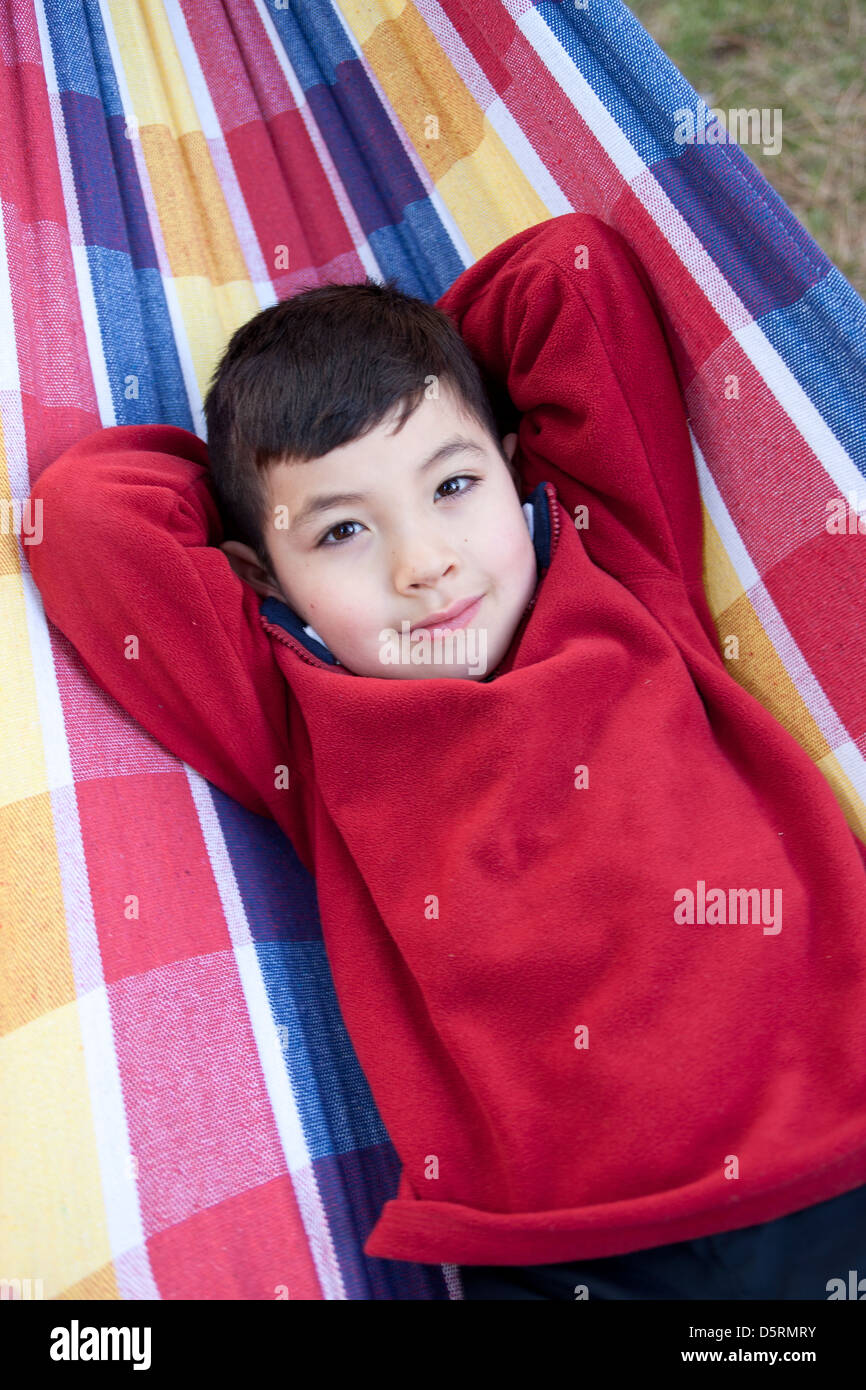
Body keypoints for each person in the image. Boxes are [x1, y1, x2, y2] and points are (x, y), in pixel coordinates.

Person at [27, 213, 866, 1300]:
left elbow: (566, 272)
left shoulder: (612, 558)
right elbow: (86, 516)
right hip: (557, 1240)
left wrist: (427, 370)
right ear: (261, 579)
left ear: (517, 467)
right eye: (342, 532)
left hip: (835, 1129)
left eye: (452, 486)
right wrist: (258, 471)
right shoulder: (293, 719)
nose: (424, 564)